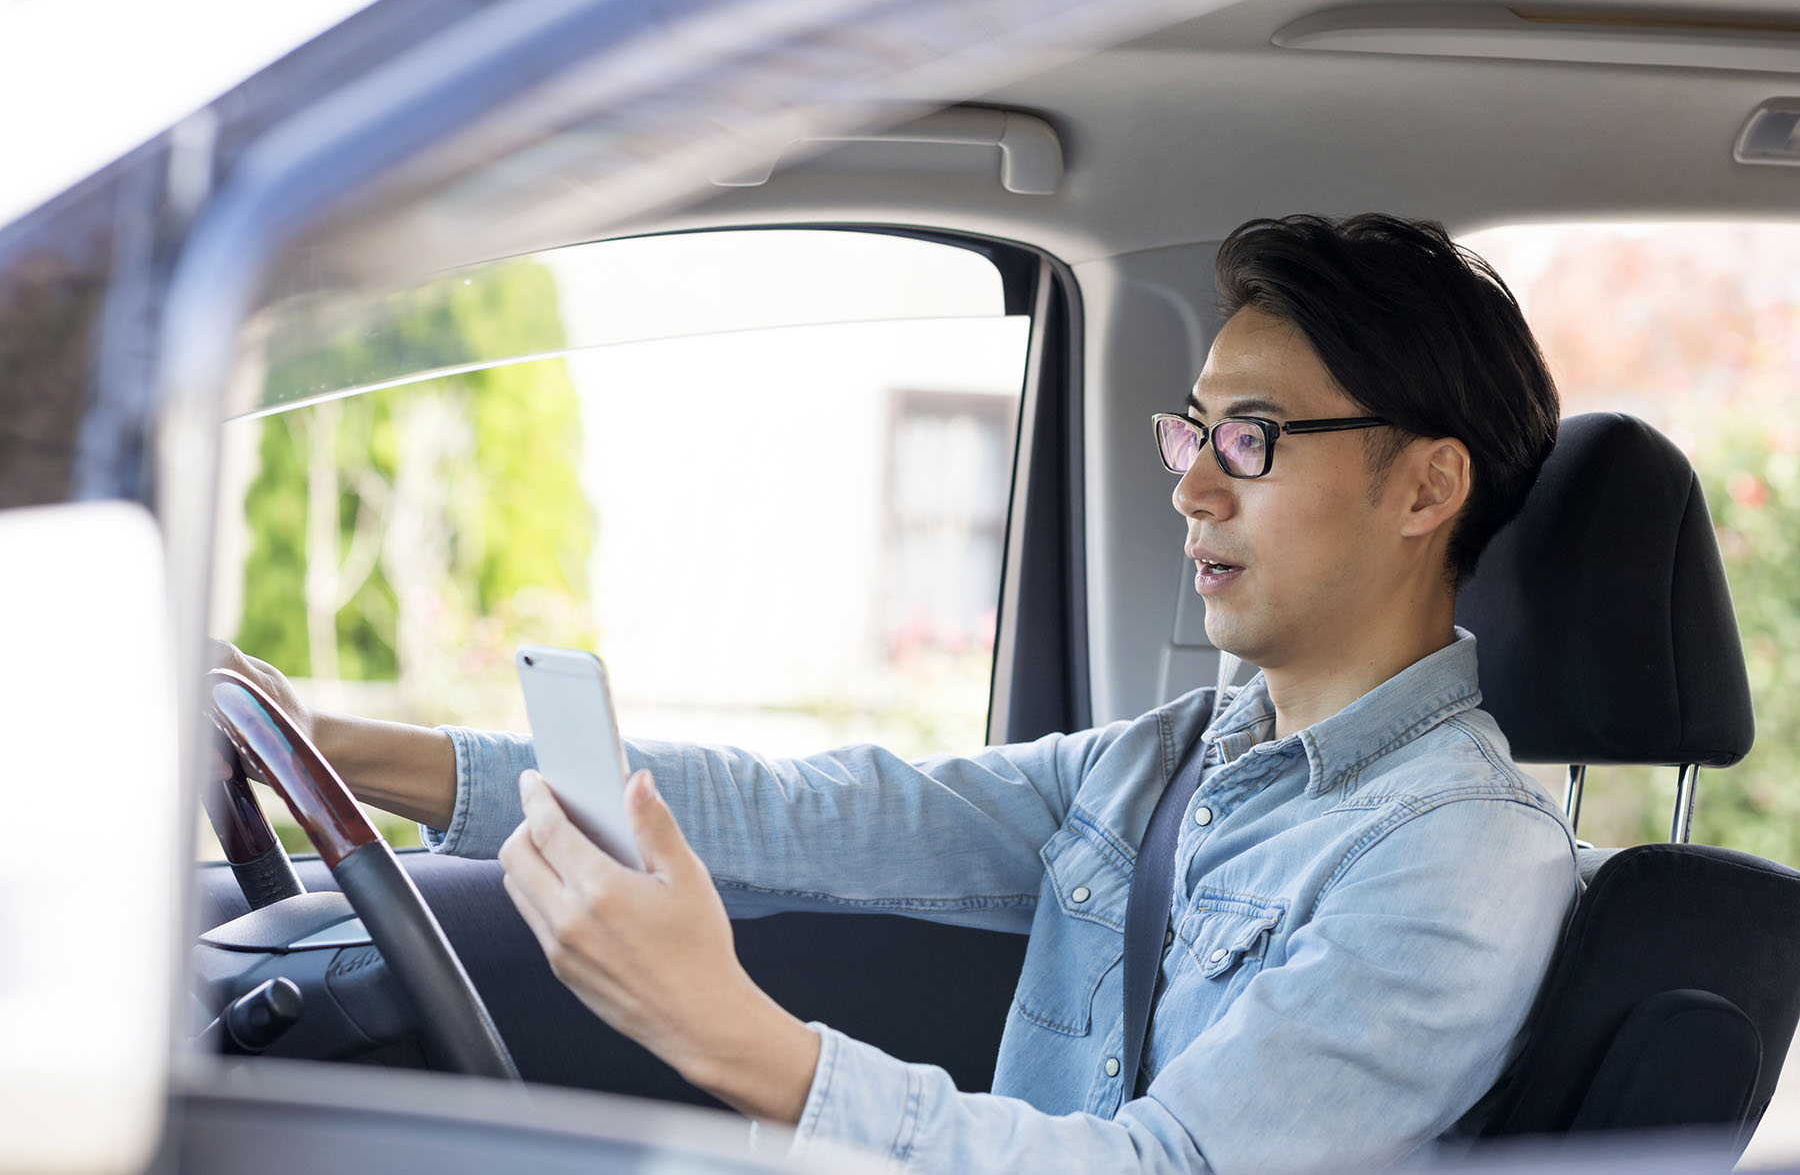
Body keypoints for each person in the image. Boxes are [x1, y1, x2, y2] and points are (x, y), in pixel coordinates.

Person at [215, 213, 1578, 1173]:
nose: (1192, 482)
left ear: (1425, 486)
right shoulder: (1181, 758)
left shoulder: (1459, 859)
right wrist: (330, 749)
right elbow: (827, 812)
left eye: (1252, 437)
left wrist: (741, 1039)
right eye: (1191, 430)